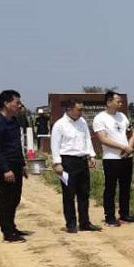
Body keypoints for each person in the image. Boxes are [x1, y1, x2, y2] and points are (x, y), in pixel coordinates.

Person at [51, 100, 100, 234]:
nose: (81, 112)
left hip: (82, 161)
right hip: (67, 162)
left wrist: (91, 155)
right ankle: (71, 223)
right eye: (79, 109)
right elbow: (55, 145)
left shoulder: (82, 122)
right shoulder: (59, 125)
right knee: (69, 194)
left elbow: (87, 139)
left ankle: (85, 222)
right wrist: (57, 163)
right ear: (69, 109)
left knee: (84, 193)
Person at [0, 90, 28, 242]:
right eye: (16, 102)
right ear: (6, 103)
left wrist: (22, 164)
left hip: (16, 164)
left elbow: (17, 146)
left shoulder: (14, 121)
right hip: (5, 167)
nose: (19, 105)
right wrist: (5, 169)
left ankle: (12, 226)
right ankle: (7, 232)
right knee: (6, 199)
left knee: (15, 198)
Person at [93, 91, 134, 226]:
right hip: (112, 158)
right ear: (108, 102)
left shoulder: (122, 116)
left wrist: (129, 147)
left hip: (126, 157)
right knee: (110, 187)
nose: (120, 103)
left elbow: (131, 133)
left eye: (121, 101)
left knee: (125, 186)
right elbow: (103, 138)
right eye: (117, 101)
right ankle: (110, 216)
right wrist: (122, 147)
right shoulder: (100, 118)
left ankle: (124, 214)